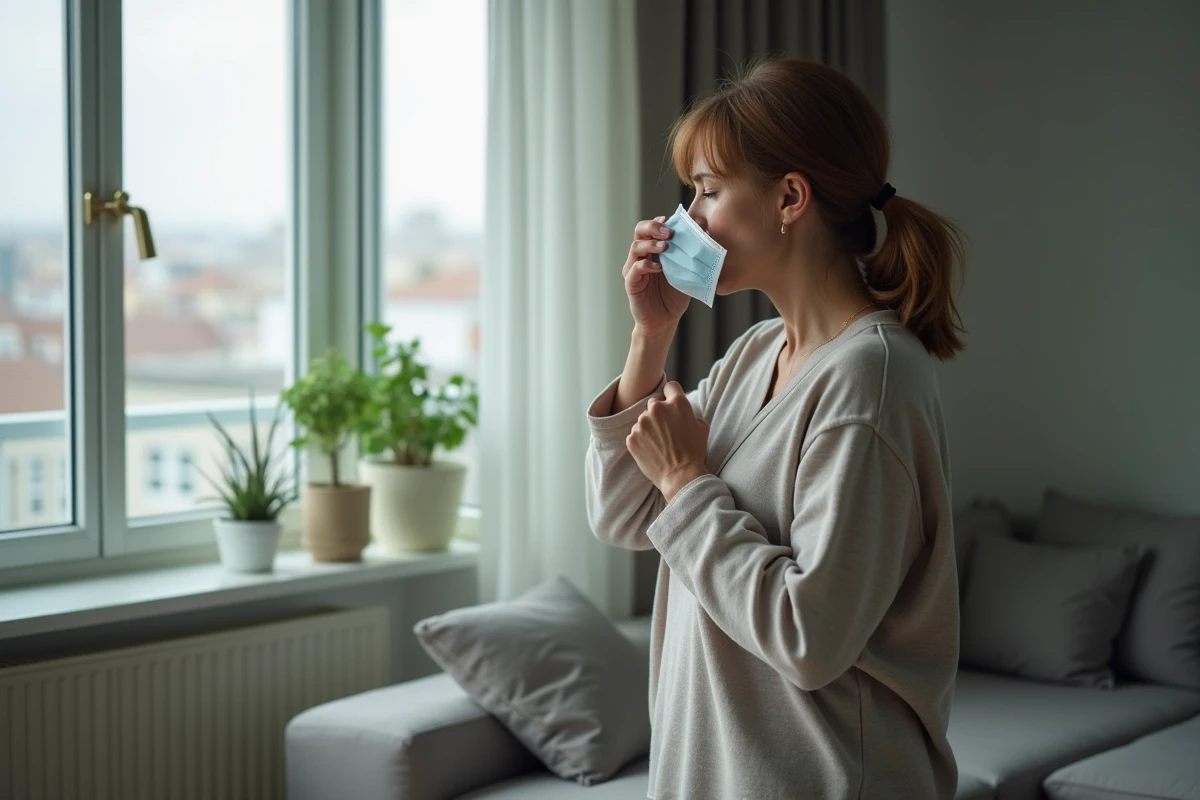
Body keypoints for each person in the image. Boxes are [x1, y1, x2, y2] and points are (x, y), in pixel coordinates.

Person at [584, 56, 966, 800]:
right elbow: (623, 514)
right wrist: (649, 338)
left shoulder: (871, 380)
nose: (684, 220)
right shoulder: (758, 352)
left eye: (709, 191)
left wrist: (689, 483)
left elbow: (809, 639)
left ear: (790, 197)